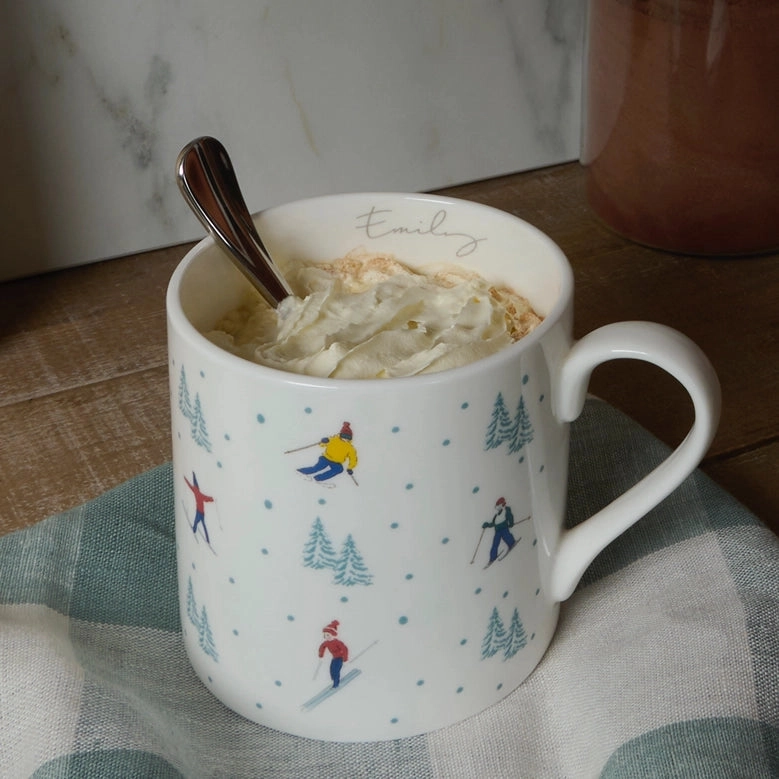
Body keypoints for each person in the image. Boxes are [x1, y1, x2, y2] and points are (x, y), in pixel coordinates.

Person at [483, 497, 516, 564]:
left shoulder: (506, 510)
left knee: (507, 536)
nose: (496, 507)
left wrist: (511, 523)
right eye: (496, 506)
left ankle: (511, 543)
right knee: (495, 543)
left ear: (502, 504)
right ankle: (492, 557)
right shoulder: (496, 515)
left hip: (504, 528)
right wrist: (487, 525)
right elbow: (493, 524)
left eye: (498, 505)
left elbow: (510, 516)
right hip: (497, 531)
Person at [184, 472, 214, 543]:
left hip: (199, 512)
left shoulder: (195, 491)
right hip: (201, 512)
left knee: (196, 522)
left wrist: (185, 478)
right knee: (203, 525)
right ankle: (208, 539)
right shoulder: (199, 493)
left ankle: (194, 530)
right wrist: (212, 499)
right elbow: (207, 498)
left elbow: (190, 485)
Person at [318, 620, 349, 688]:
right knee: (331, 670)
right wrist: (321, 655)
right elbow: (322, 647)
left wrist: (345, 659)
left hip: (340, 658)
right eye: (325, 635)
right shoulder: (326, 643)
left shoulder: (337, 642)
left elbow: (345, 649)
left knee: (336, 670)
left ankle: (336, 684)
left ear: (332, 634)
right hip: (334, 658)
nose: (327, 636)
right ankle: (334, 679)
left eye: (328, 635)